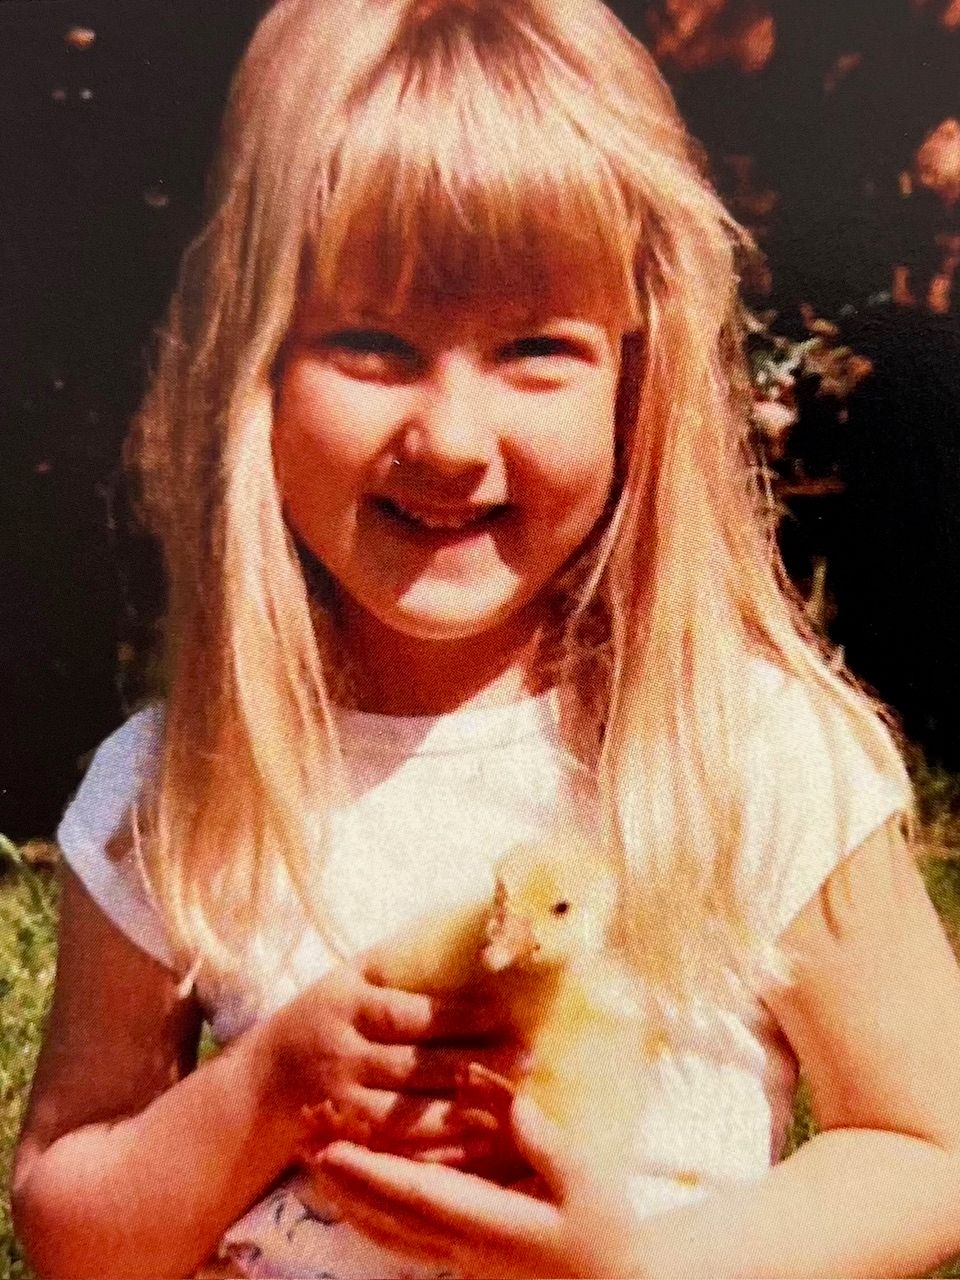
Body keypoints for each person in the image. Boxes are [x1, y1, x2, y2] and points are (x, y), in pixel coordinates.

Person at [11, 1, 960, 1276]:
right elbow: (74, 1227)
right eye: (372, 342)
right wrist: (264, 1090)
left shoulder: (742, 749)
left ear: (640, 373)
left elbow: (927, 1143)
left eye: (534, 349)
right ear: (256, 361)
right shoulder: (182, 785)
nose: (451, 438)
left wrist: (644, 1266)